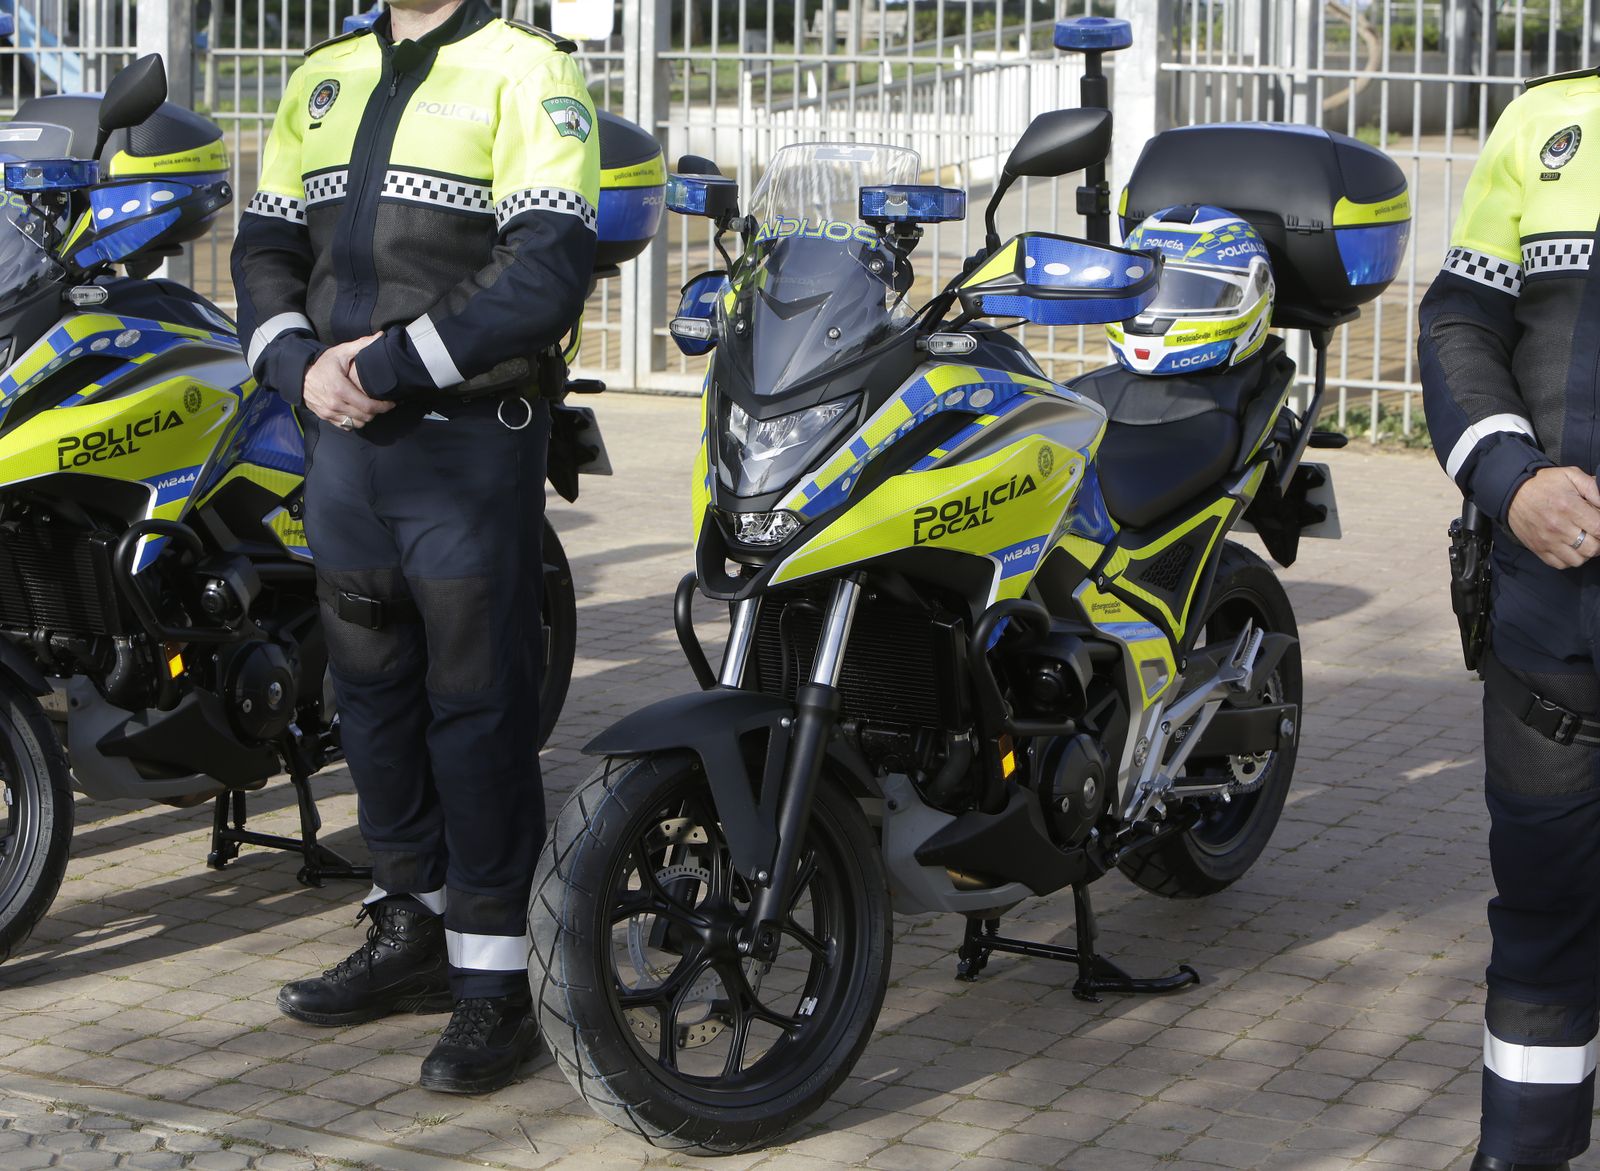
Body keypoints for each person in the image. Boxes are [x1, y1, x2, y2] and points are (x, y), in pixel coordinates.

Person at [230, 0, 598, 1094]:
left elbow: (547, 267)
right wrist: (296, 360)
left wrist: (383, 364)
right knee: (370, 694)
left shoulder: (528, 70)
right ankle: (409, 929)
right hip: (342, 443)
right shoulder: (322, 73)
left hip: (468, 441)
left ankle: (496, 986)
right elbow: (264, 245)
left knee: (477, 706)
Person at [1420, 65, 1600, 1171]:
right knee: (1538, 935)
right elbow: (1458, 320)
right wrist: (1510, 477)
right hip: (1548, 636)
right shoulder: (1545, 119)